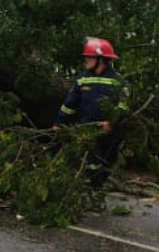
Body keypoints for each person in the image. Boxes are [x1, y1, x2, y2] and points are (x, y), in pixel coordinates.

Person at [54, 37, 130, 187]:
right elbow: (69, 104)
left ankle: (97, 188)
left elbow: (124, 105)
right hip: (86, 129)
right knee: (90, 162)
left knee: (106, 161)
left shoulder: (118, 81)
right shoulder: (82, 79)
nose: (86, 60)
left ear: (101, 59)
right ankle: (93, 190)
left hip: (110, 132)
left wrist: (111, 122)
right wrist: (59, 122)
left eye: (89, 57)